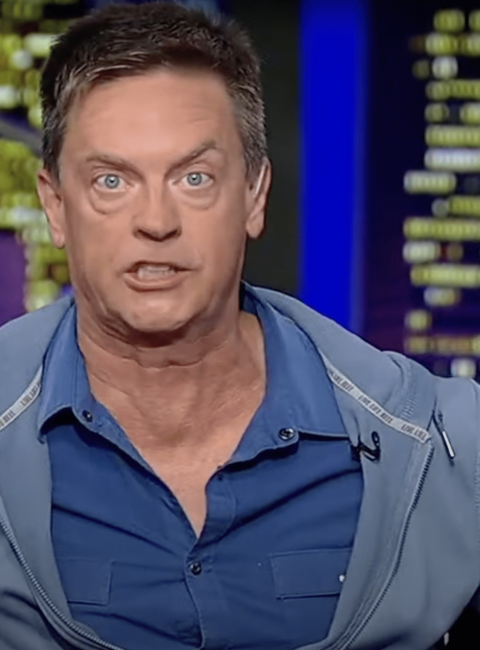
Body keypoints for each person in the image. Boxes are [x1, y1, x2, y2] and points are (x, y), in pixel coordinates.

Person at [0, 2, 479, 649]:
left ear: (254, 195)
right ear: (56, 207)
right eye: (112, 181)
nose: (156, 221)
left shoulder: (447, 448)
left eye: (194, 177)